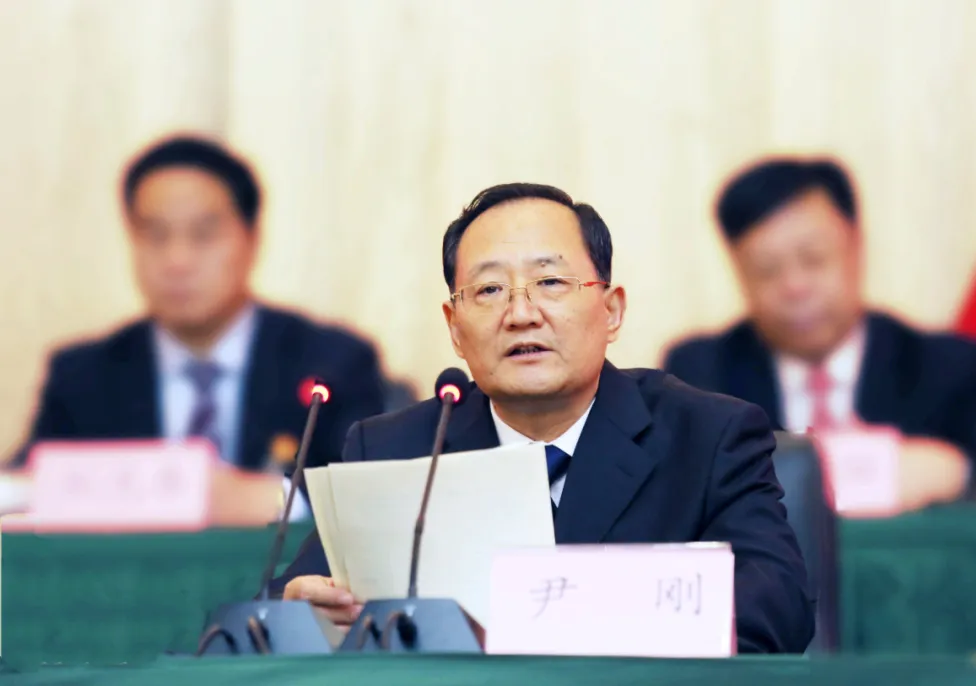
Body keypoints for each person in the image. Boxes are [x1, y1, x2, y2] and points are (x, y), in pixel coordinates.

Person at [273, 182, 814, 654]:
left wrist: (572, 615)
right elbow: (280, 610)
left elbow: (779, 607)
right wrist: (302, 614)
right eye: (489, 290)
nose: (521, 313)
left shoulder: (709, 437)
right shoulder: (394, 451)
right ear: (455, 328)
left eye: (551, 282)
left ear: (612, 311)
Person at [12, 135, 388, 517]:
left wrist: (277, 498)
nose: (177, 260)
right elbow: (27, 490)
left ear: (252, 239)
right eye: (155, 235)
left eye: (204, 235)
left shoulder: (332, 363)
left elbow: (371, 493)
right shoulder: (83, 377)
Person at [662, 158, 976, 507]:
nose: (794, 287)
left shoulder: (946, 369)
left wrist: (961, 476)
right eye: (766, 270)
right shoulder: (701, 378)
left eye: (813, 259)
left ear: (856, 248)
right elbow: (662, 507)